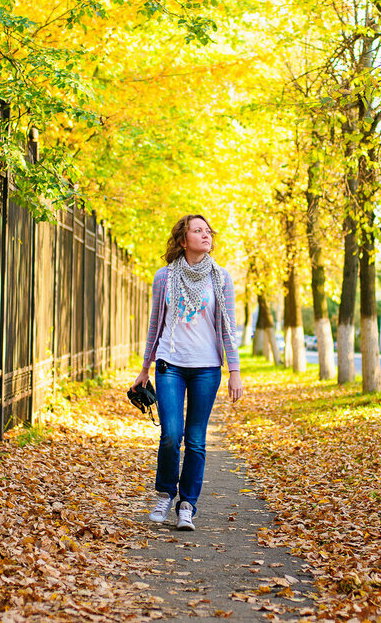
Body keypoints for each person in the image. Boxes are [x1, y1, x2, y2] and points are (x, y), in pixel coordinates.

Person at [131, 214, 243, 531]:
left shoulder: (221, 279)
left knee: (195, 440)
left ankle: (187, 506)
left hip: (207, 368)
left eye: (208, 230)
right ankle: (166, 494)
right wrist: (144, 368)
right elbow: (155, 325)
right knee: (170, 435)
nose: (205, 235)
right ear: (183, 240)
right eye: (198, 230)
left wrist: (234, 370)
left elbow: (228, 329)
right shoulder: (164, 277)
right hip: (170, 365)